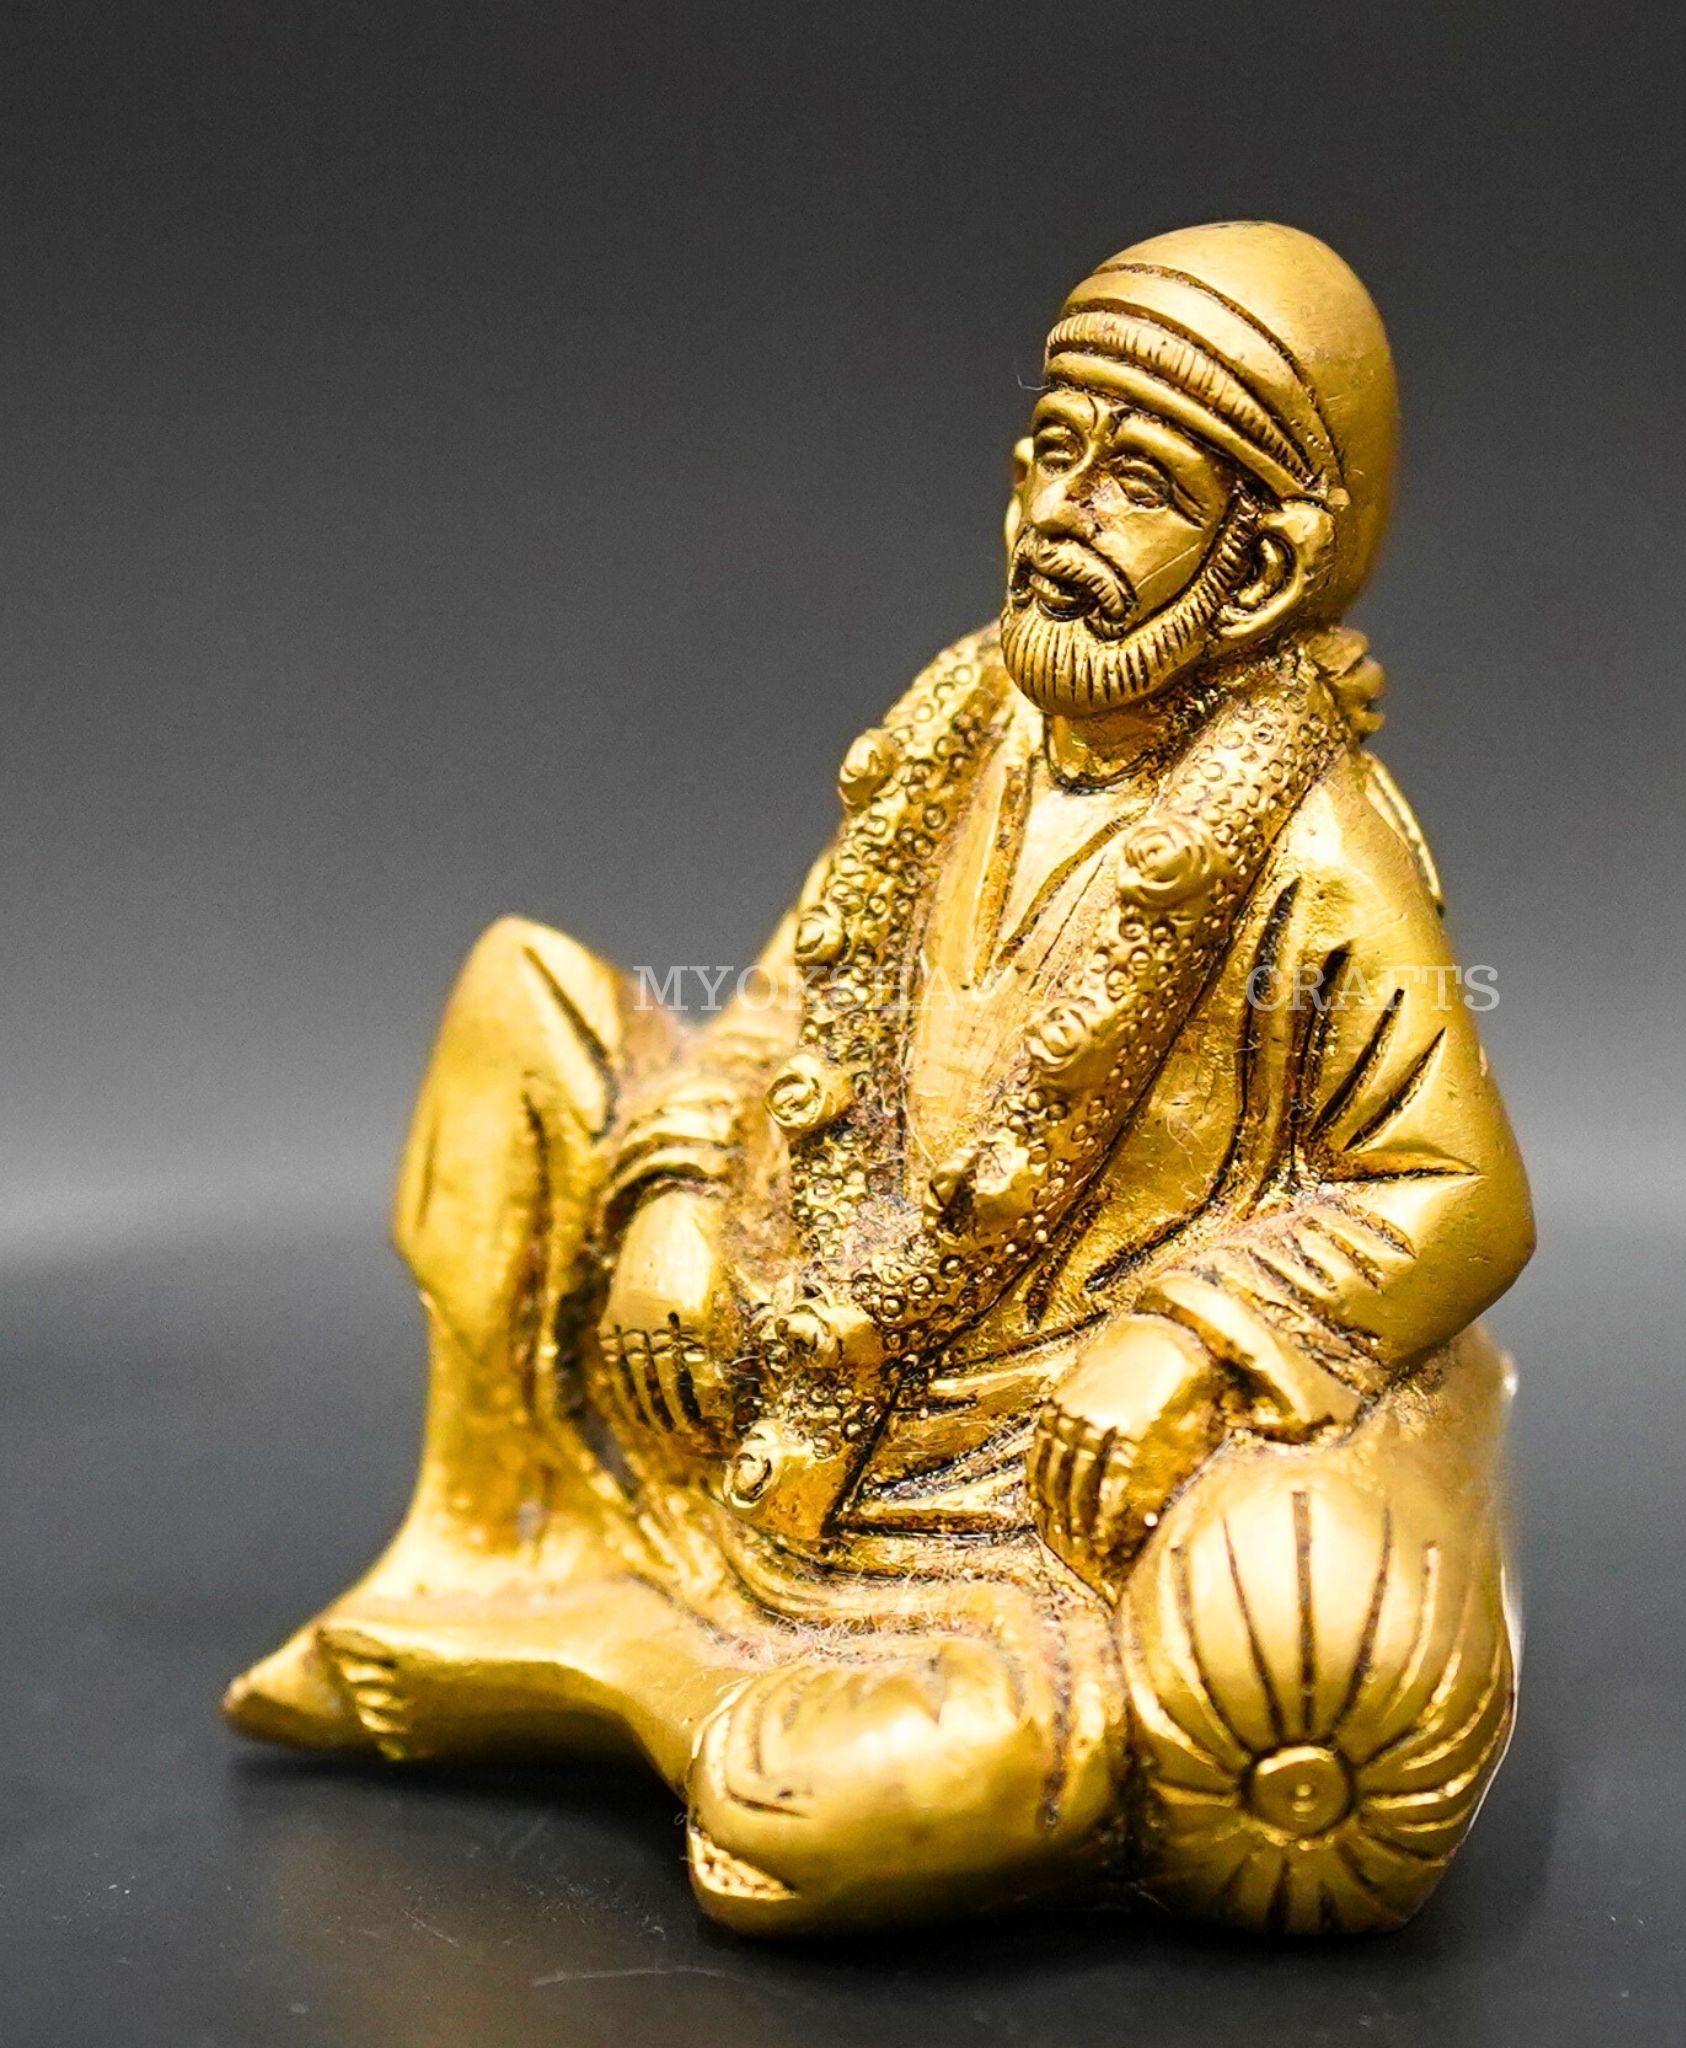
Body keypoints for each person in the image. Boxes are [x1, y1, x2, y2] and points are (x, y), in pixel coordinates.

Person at [226, 221, 1536, 1937]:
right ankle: (494, 1542)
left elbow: (1456, 1191)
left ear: (1265, 563)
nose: (1062, 515)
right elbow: (780, 1010)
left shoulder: (1315, 841)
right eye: (1049, 453)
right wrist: (676, 1206)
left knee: (850, 1813)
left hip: (1002, 1516)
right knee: (521, 996)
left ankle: (605, 1666)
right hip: (753, 1380)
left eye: (1140, 484)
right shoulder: (956, 723)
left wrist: (1188, 1340)